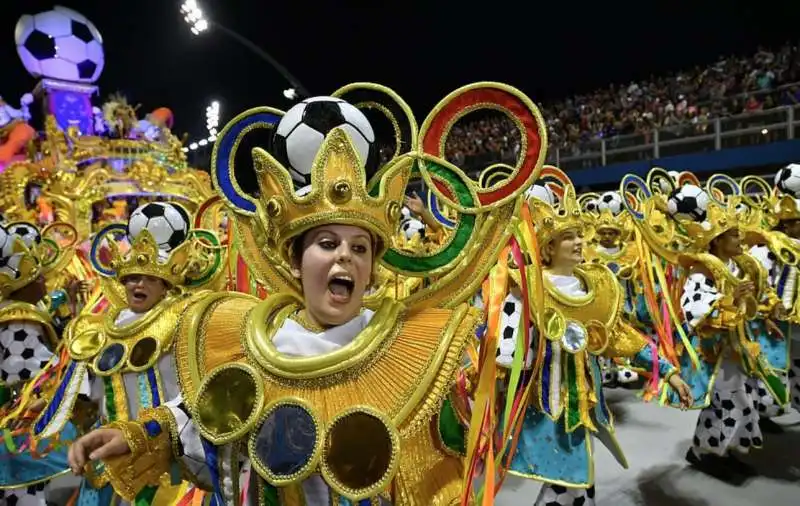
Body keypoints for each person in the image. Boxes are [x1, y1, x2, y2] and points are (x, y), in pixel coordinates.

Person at [63, 84, 539, 505]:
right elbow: (201, 419)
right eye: (326, 244)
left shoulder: (422, 350)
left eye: (359, 247)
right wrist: (137, 435)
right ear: (295, 260)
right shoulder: (244, 340)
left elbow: (440, 473)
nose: (344, 258)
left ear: (373, 267)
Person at [493, 179, 692, 506]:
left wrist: (668, 371)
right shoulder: (527, 287)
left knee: (575, 479)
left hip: (585, 402)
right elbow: (507, 353)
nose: (578, 242)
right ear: (548, 247)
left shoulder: (595, 286)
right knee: (570, 477)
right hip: (547, 406)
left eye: (578, 235)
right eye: (567, 237)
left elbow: (620, 337)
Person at [30, 202, 222, 505]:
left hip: (172, 463)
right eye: (131, 277)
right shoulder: (99, 328)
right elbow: (86, 400)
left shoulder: (187, 321)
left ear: (166, 286)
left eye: (149, 278)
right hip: (110, 464)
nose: (138, 284)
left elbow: (200, 394)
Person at [633, 176, 788, 482]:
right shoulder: (702, 272)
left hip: (738, 349)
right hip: (715, 354)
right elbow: (694, 310)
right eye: (733, 236)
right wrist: (731, 300)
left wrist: (765, 314)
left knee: (744, 401)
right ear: (717, 240)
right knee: (728, 403)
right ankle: (705, 452)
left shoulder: (736, 266)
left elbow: (753, 299)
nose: (740, 241)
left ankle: (720, 451)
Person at [0, 222, 79, 506]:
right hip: (17, 429)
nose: (46, 283)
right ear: (28, 284)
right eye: (40, 278)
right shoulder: (17, 321)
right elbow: (38, 376)